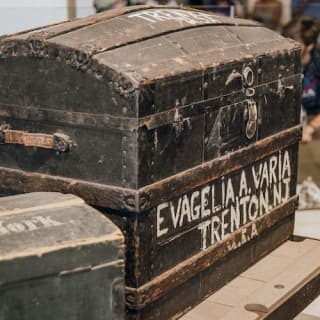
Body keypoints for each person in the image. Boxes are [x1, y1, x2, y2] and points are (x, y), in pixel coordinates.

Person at [300, 17, 320, 143]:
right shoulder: (292, 63)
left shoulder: (317, 63)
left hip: (314, 120)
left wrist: (311, 128)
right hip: (301, 118)